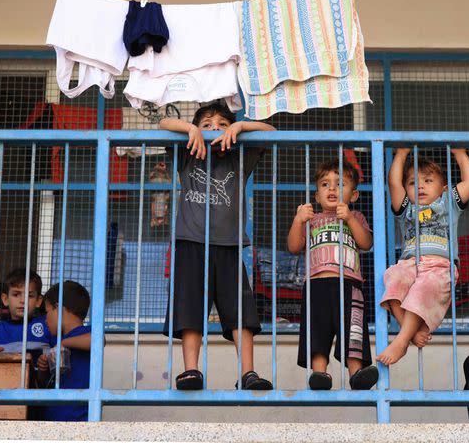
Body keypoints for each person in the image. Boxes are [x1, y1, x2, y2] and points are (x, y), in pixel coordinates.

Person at [159, 102, 275, 390]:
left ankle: (247, 373)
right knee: (190, 309)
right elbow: (162, 124)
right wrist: (189, 130)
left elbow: (271, 131)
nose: (215, 130)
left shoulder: (239, 157)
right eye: (207, 125)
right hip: (191, 243)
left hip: (228, 246)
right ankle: (191, 370)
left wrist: (241, 126)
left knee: (241, 311)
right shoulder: (188, 155)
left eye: (222, 124)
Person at [377, 148, 469, 365]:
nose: (420, 186)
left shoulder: (448, 204)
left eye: (428, 180)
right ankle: (410, 332)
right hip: (410, 263)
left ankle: (402, 340)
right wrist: (401, 155)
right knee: (392, 276)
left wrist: (460, 154)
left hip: (439, 266)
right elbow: (394, 183)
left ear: (443, 189)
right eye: (413, 183)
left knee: (425, 286)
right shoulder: (406, 209)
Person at [287, 159, 378, 390]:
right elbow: (294, 247)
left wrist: (348, 218)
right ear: (317, 196)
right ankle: (320, 374)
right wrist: (298, 220)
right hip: (317, 284)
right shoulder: (312, 220)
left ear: (354, 195)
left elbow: (366, 242)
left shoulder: (355, 217)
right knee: (317, 328)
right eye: (325, 184)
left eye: (340, 184)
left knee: (352, 328)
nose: (332, 189)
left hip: (348, 284)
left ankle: (356, 373)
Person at [0, 268, 91, 355]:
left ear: (39, 301)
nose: (22, 300)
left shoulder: (48, 324)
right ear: (5, 299)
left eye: (29, 296)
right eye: (16, 294)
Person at [37, 280, 92, 421]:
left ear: (58, 308)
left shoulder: (86, 332)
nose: (45, 320)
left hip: (79, 418)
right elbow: (48, 384)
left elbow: (97, 341)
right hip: (53, 418)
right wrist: (43, 370)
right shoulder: (55, 342)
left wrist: (64, 343)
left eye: (47, 312)